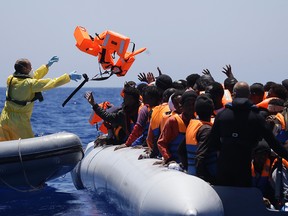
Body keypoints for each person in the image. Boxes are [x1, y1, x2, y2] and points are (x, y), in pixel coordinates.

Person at [206, 81, 288, 187]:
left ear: (233, 94)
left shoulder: (222, 115)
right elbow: (273, 143)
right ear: (249, 95)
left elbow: (212, 143)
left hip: (224, 167)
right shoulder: (257, 117)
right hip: (244, 168)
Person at [0, 56, 82, 141]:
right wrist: (68, 77)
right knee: (27, 146)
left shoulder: (10, 79)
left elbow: (33, 76)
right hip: (19, 122)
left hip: (5, 117)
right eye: (30, 67)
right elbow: (51, 83)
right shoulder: (30, 84)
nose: (32, 69)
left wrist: (46, 66)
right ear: (25, 69)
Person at [179, 94, 216, 183]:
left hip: (192, 173)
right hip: (204, 177)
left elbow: (181, 150)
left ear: (196, 110)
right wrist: (209, 179)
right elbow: (200, 157)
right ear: (212, 111)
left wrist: (188, 168)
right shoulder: (207, 130)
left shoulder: (192, 125)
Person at [157, 90, 198, 164]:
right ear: (182, 105)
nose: (191, 107)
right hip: (176, 163)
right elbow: (161, 143)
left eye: (193, 104)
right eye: (188, 104)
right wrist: (169, 159)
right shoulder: (173, 121)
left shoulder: (198, 121)